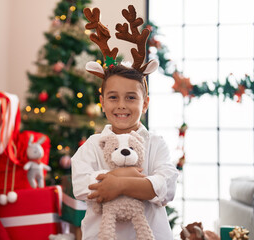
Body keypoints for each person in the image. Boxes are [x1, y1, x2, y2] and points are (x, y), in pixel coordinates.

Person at [71, 5, 179, 240]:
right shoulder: (92, 145)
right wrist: (132, 176)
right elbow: (81, 185)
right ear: (102, 101)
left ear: (145, 103)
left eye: (131, 98)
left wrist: (118, 185)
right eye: (113, 97)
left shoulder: (156, 144)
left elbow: (166, 187)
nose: (121, 105)